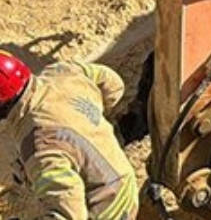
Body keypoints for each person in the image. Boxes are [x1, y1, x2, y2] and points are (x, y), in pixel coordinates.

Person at [0, 53, 139, 220]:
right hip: (117, 172)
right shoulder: (63, 71)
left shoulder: (39, 145)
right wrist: (90, 116)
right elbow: (113, 84)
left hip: (108, 203)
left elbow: (69, 215)